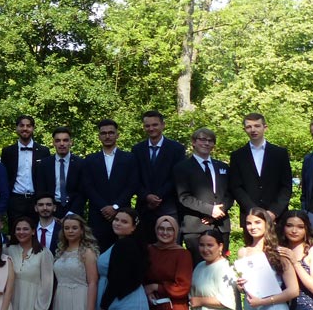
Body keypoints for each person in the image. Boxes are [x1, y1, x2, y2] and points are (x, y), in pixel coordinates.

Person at [175, 127, 233, 264]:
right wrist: (210, 210)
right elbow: (184, 197)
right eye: (202, 139)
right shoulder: (181, 168)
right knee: (199, 267)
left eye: (210, 140)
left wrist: (218, 212)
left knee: (221, 267)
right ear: (194, 142)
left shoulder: (222, 167)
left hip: (221, 225)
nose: (206, 143)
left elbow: (230, 193)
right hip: (196, 226)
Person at [228, 113, 293, 229]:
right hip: (250, 217)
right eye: (249, 127)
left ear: (265, 127)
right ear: (244, 129)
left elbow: (286, 186)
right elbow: (236, 187)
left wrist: (274, 212)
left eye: (257, 126)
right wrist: (254, 212)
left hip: (277, 217)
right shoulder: (237, 156)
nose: (253, 130)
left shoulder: (280, 153)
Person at [83, 119, 138, 252]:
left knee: (123, 253)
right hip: (98, 215)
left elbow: (132, 185)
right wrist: (103, 206)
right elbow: (87, 186)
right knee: (96, 252)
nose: (107, 136)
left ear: (117, 135)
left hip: (122, 214)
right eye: (104, 133)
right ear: (99, 136)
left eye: (111, 133)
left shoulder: (129, 158)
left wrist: (115, 207)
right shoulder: (90, 160)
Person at [132, 110, 187, 242]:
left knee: (170, 244)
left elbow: (177, 177)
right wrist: (146, 196)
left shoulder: (177, 149)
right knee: (144, 246)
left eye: (155, 125)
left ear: (163, 125)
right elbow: (133, 177)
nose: (151, 128)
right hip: (144, 208)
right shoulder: (137, 149)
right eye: (147, 126)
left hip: (168, 205)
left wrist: (158, 197)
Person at [0, 116, 50, 231]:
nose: (25, 128)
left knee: (38, 233)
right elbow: (5, 178)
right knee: (16, 233)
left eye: (28, 126)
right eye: (22, 125)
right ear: (17, 128)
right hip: (15, 201)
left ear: (33, 128)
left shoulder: (44, 151)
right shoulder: (7, 152)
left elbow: (46, 177)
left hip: (37, 200)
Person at [33, 126, 85, 220]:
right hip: (50, 210)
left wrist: (71, 214)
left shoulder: (80, 164)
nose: (62, 144)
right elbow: (40, 190)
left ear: (71, 142)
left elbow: (82, 192)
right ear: (53, 143)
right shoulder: (44, 164)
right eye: (58, 141)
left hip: (74, 210)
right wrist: (50, 213)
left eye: (65, 140)